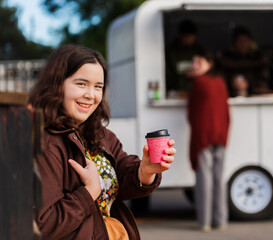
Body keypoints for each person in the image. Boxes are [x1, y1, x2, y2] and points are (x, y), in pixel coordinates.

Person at [28, 44, 176, 240]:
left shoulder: (101, 135)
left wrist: (145, 171)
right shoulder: (44, 143)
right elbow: (42, 225)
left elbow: (122, 175)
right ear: (57, 84)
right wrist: (89, 191)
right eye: (81, 84)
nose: (91, 95)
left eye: (98, 86)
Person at [187, 48, 230, 232]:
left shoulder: (198, 83)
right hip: (221, 135)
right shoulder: (220, 82)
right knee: (219, 179)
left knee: (204, 179)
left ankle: (205, 221)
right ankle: (221, 220)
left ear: (209, 64)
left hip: (203, 136)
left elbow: (192, 112)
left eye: (199, 62)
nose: (195, 66)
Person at [218, 26, 273, 97]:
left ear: (250, 41)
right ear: (234, 43)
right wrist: (232, 82)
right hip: (231, 96)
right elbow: (220, 78)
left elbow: (264, 78)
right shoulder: (226, 58)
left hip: (256, 96)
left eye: (245, 40)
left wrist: (248, 82)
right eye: (239, 41)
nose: (242, 43)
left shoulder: (258, 58)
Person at [165, 19, 204, 98]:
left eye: (192, 36)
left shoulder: (199, 50)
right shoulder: (171, 52)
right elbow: (168, 75)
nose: (189, 39)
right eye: (187, 36)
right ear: (180, 35)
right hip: (176, 93)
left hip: (196, 92)